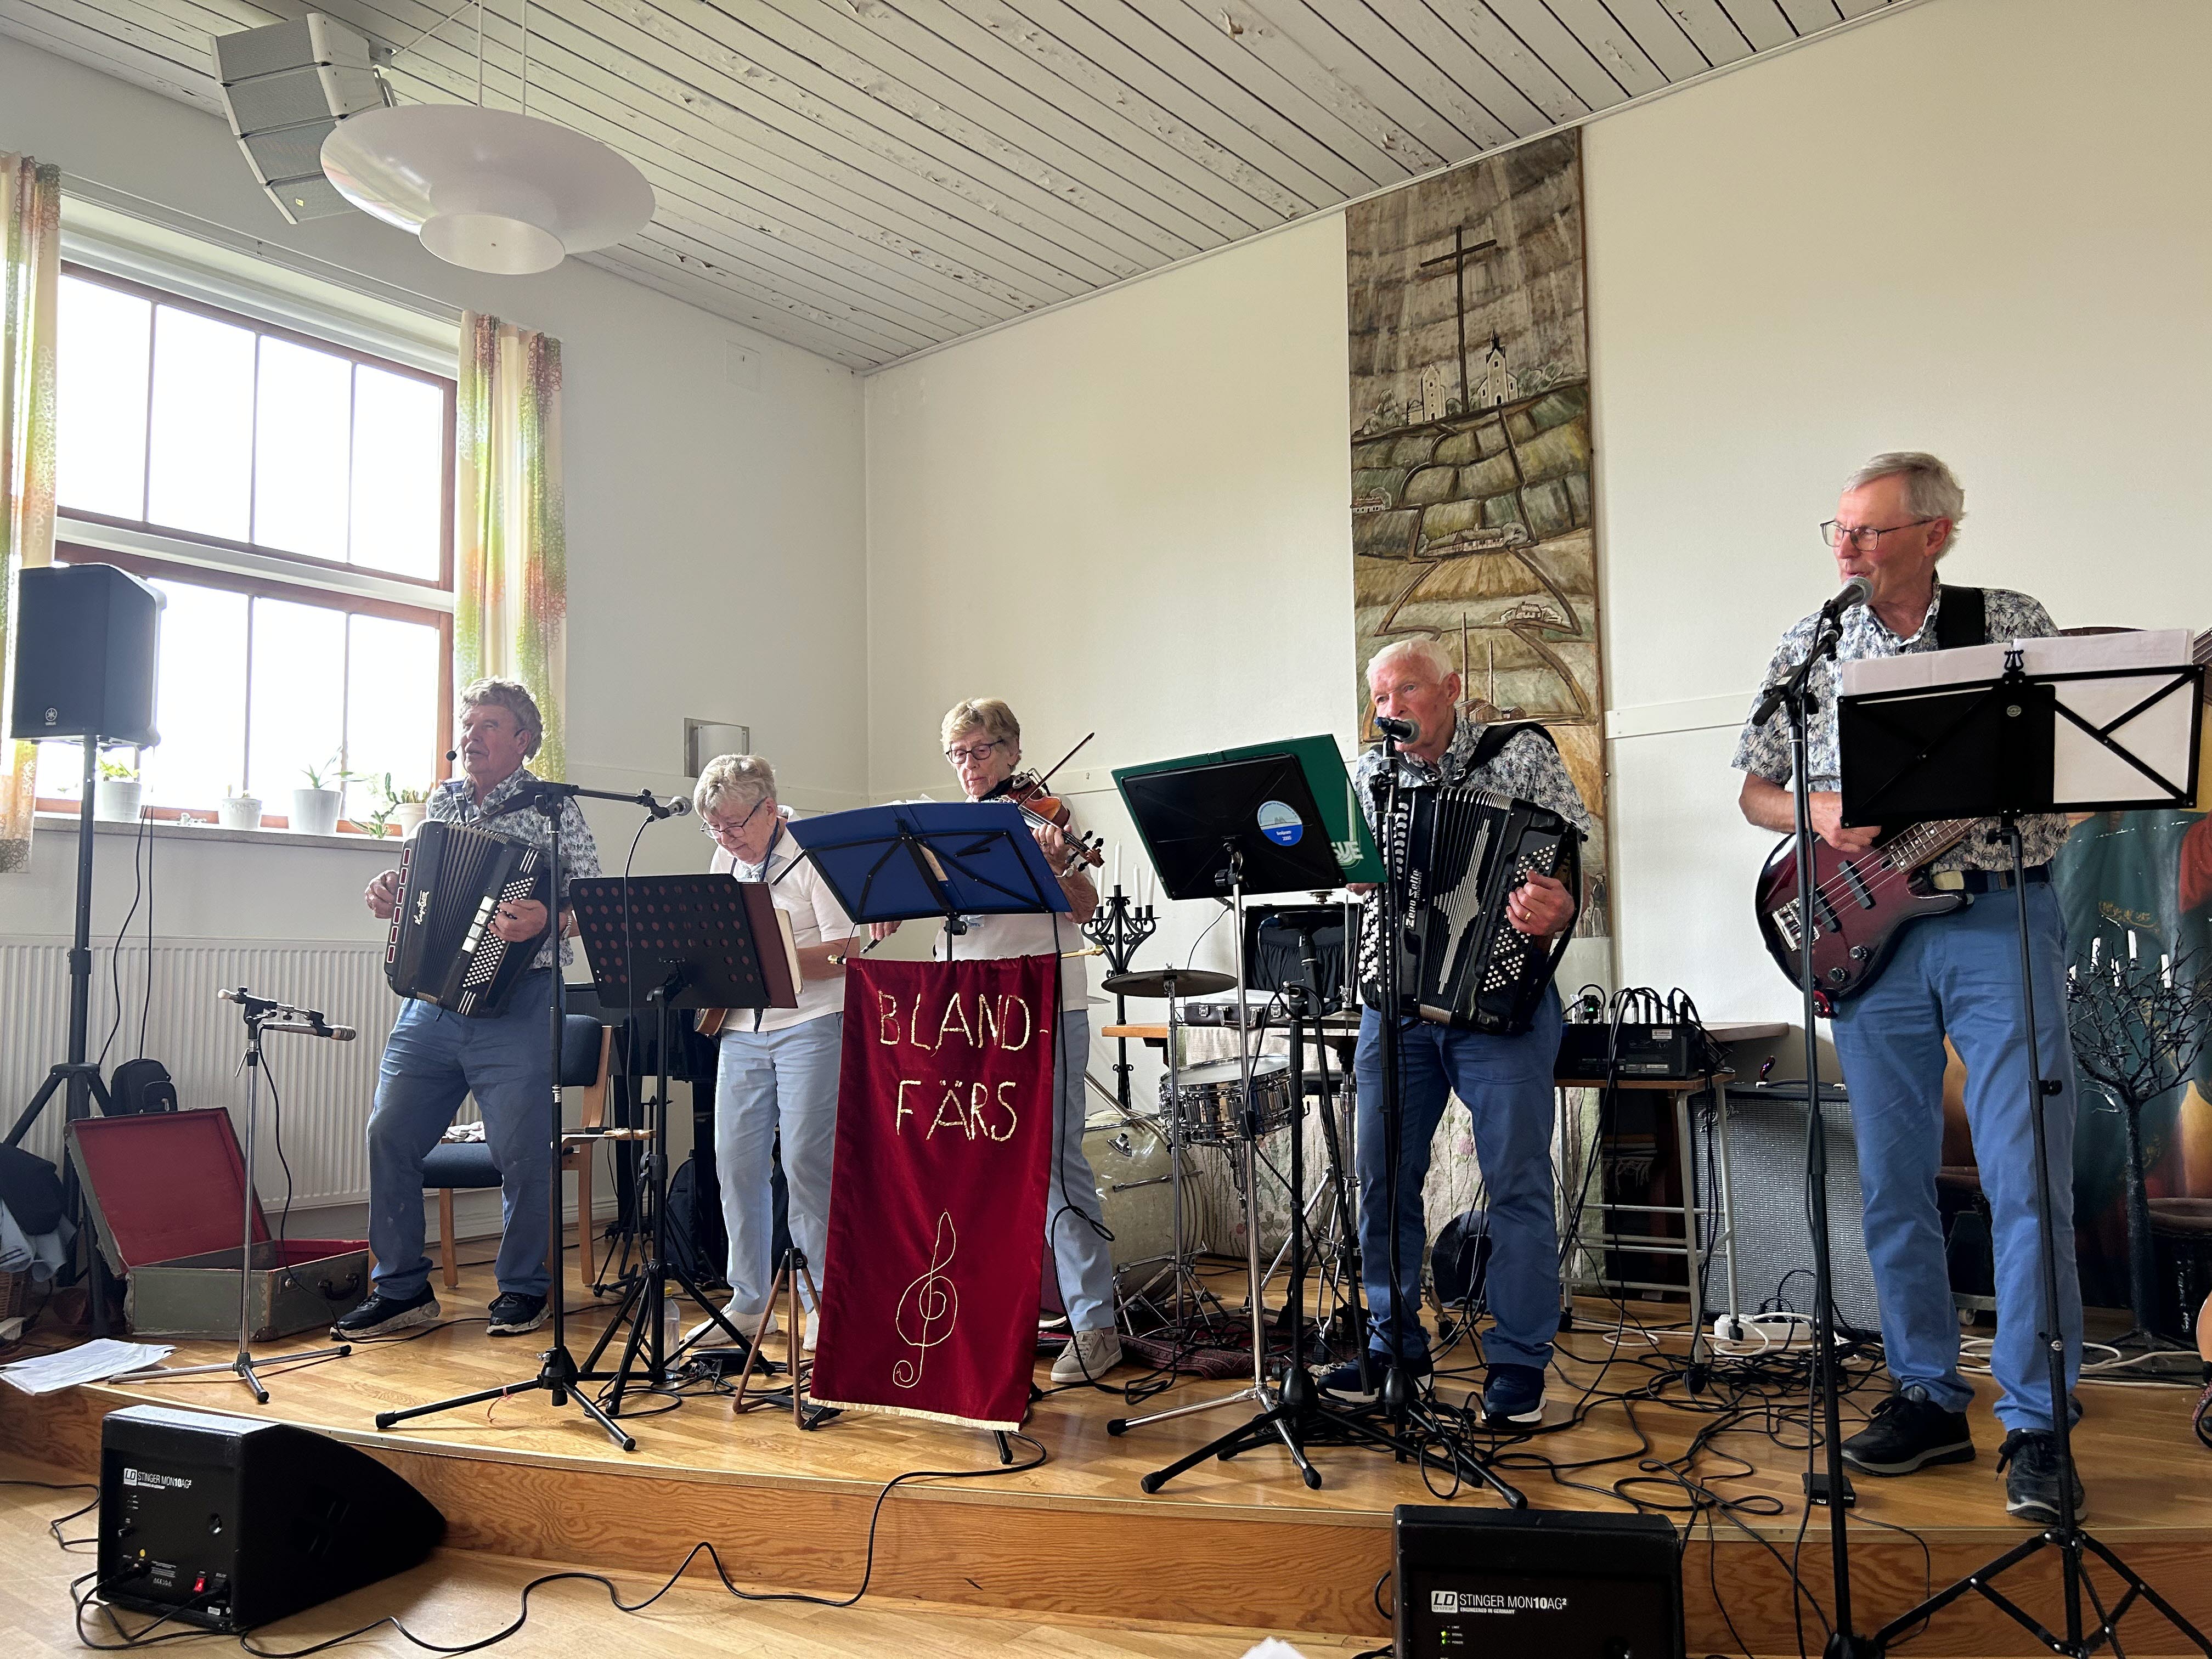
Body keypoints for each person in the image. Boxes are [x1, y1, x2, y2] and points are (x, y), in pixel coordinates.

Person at [1734, 451, 2084, 1523]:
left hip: (1996, 916)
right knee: (1891, 1181)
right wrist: (1817, 813)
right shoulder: (1812, 642)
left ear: (1934, 534)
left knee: (2026, 1178)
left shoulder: (2006, 622)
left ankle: (2037, 1420)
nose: (1846, 549)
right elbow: (1754, 790)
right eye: (1838, 529)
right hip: (1871, 941)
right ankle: (1927, 1393)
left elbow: (2075, 765)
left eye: (1870, 531)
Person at [1323, 637, 1589, 1426]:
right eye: (1379, 698)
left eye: (1405, 691)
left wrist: (1562, 905)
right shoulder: (1372, 776)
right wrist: (1346, 865)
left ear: (1450, 688)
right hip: (1395, 1003)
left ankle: (1518, 1362)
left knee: (1516, 1181)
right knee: (1383, 1177)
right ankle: (1391, 1347)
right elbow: (1348, 874)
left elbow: (1576, 863)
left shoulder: (1521, 753)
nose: (1390, 710)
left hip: (1501, 1003)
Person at [338, 679, 601, 1341]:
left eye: (488, 725)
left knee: (522, 1151)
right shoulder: (443, 801)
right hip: (433, 1000)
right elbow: (422, 887)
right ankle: (401, 1289)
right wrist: (390, 891)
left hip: (520, 997)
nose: (471, 736)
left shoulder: (553, 808)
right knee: (389, 1133)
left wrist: (548, 919)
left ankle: (524, 1288)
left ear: (522, 740)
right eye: (468, 724)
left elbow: (595, 904)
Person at [872, 698, 1124, 1385]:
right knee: (971, 1162)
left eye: (981, 750)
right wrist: (889, 906)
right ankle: (981, 1312)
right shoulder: (945, 829)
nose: (969, 765)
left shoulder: (1046, 818)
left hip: (1044, 1000)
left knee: (1054, 1163)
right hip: (966, 1004)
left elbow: (1084, 906)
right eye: (958, 754)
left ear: (1013, 752)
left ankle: (1094, 1323)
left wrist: (1055, 868)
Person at [692, 754, 856, 1346]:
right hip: (741, 1027)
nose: (726, 838)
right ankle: (748, 1301)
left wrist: (769, 953)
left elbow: (847, 949)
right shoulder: (727, 856)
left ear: (769, 809)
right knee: (735, 1164)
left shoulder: (813, 853)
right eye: (714, 828)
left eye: (734, 825)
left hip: (810, 1022)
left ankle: (824, 1304)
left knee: (807, 1163)